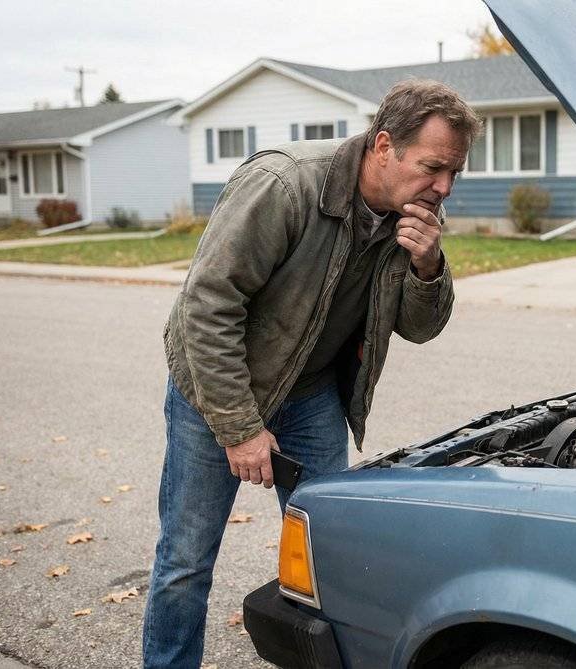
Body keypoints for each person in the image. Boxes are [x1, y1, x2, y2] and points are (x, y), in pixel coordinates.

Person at [141, 79, 482, 668]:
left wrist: (427, 264)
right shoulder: (284, 186)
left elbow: (421, 327)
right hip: (217, 388)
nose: (444, 187)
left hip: (311, 396)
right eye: (433, 167)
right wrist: (239, 426)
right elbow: (206, 307)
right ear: (383, 145)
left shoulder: (415, 214)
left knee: (329, 554)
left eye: (454, 171)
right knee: (186, 560)